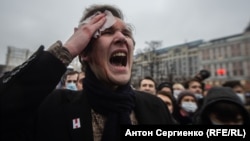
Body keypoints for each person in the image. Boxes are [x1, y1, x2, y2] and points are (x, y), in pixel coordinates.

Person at [0, 4, 175, 141]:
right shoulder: (53, 108)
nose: (122, 38)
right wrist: (66, 51)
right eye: (108, 32)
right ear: (85, 52)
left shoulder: (155, 107)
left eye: (126, 33)